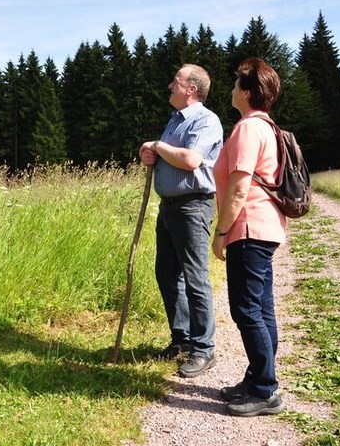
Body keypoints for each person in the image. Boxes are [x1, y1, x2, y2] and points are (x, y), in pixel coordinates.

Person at [211, 57, 287, 417]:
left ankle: (265, 390)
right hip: (266, 228)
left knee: (246, 310)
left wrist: (221, 232)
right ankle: (258, 377)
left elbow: (238, 190)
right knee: (262, 308)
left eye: (235, 84)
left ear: (247, 92)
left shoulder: (246, 129)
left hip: (248, 228)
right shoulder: (268, 127)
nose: (231, 89)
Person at [139, 64, 223, 378]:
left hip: (193, 207)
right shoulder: (175, 120)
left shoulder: (206, 120)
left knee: (195, 278)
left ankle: (204, 349)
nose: (169, 86)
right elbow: (167, 155)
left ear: (191, 88)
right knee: (166, 272)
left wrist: (158, 146)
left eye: (175, 81)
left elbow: (190, 160)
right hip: (169, 207)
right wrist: (148, 153)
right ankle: (182, 340)